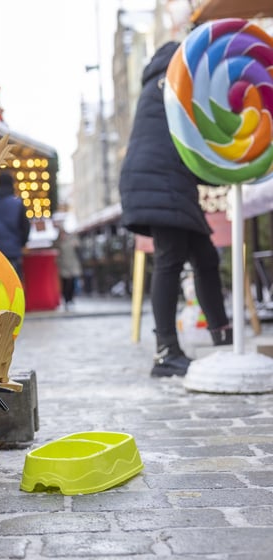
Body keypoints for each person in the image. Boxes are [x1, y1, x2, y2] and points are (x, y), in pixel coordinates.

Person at [119, 40, 232, 379]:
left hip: (161, 179)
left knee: (205, 257)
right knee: (170, 259)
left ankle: (223, 340)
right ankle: (166, 352)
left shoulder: (162, 81)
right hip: (160, 179)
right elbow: (198, 137)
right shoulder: (176, 80)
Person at [54, 225, 82, 310]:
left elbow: (78, 247)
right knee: (65, 283)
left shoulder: (72, 240)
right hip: (63, 265)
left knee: (72, 282)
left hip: (72, 264)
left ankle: (71, 299)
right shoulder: (58, 242)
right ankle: (66, 299)